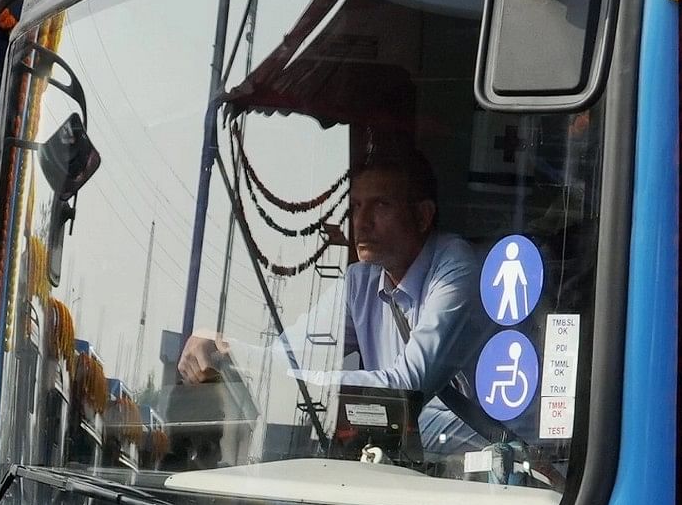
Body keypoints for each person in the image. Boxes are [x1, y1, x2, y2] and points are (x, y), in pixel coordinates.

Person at [173, 144, 482, 414]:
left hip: (468, 467)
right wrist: (226, 352)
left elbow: (406, 388)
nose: (361, 223)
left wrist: (305, 383)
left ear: (423, 216)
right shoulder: (359, 282)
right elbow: (290, 357)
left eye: (381, 205)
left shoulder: (455, 266)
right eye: (357, 206)